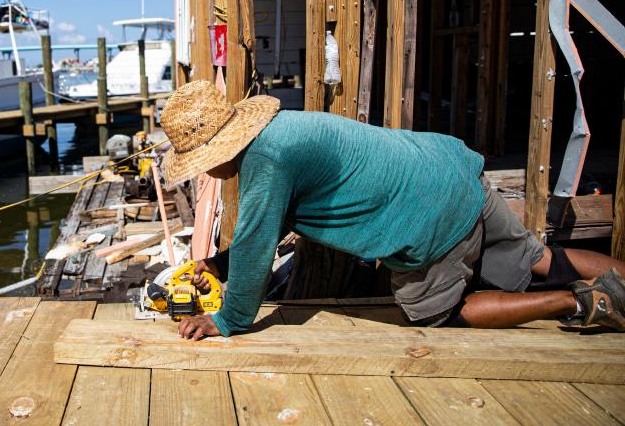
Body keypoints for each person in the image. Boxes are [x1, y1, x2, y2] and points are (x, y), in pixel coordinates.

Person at [158, 80, 625, 340]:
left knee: (441, 314)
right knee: (541, 258)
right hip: (452, 169)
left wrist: (226, 321)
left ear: (218, 151)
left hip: (426, 216)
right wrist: (220, 264)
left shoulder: (265, 160)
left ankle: (579, 301)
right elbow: (275, 221)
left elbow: (259, 246)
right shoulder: (282, 129)